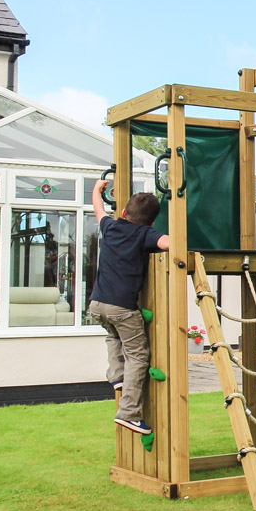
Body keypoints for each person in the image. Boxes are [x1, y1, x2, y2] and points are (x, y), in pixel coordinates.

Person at [88, 180, 170, 435]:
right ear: (152, 222)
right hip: (122, 308)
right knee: (138, 355)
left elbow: (98, 209)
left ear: (123, 213)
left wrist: (97, 189)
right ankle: (129, 413)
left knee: (113, 336)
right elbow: (169, 244)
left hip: (96, 304)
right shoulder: (146, 234)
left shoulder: (111, 227)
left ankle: (117, 376)